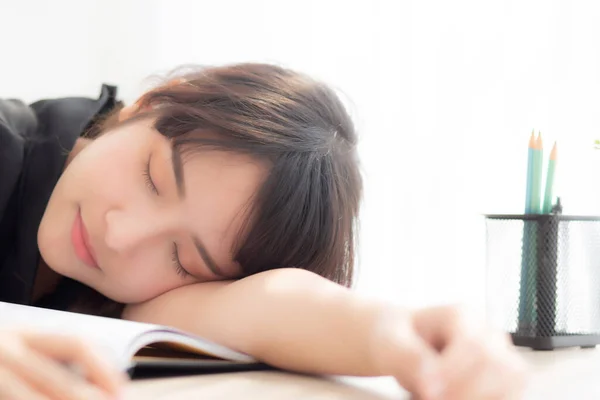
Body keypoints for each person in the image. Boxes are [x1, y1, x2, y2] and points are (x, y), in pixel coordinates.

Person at [0, 63, 529, 400]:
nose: (121, 234)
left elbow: (262, 305)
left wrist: (400, 331)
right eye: (153, 178)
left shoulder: (136, 293)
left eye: (184, 258)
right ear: (149, 104)